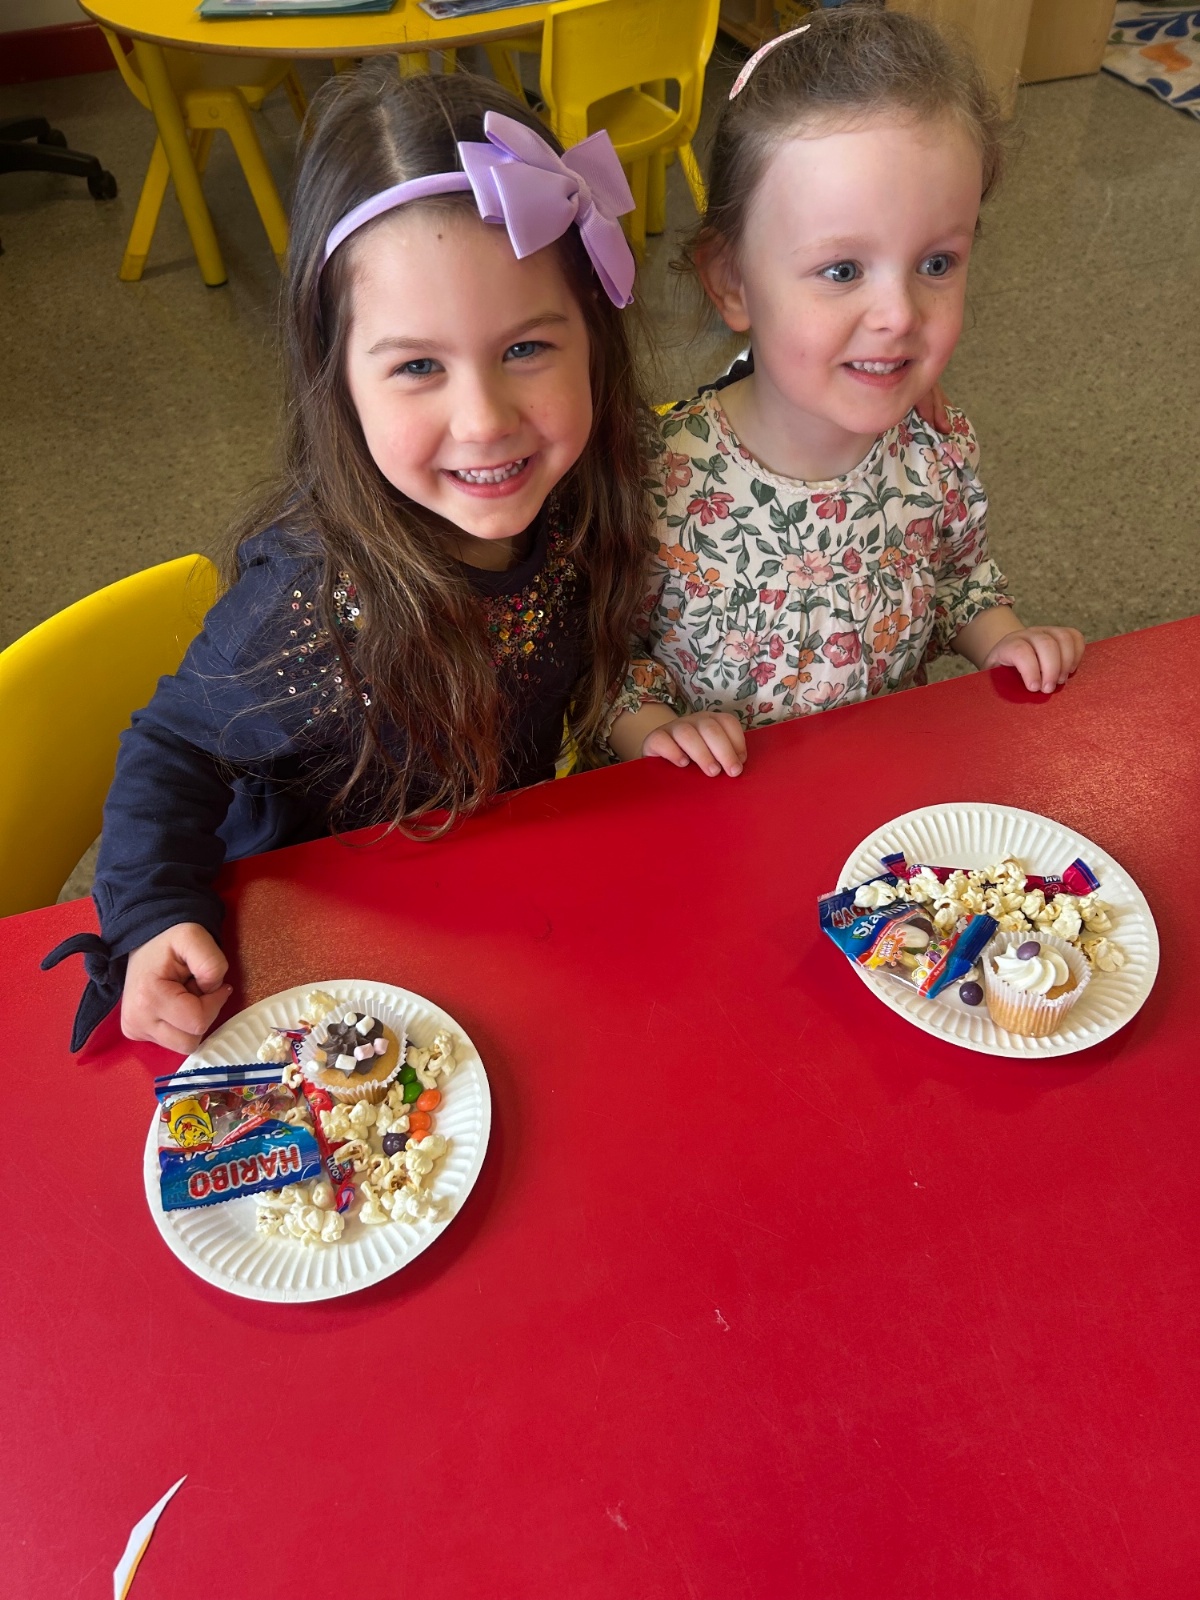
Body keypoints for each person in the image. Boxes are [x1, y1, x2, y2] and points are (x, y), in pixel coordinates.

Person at [45, 68, 673, 1053]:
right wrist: (153, 915)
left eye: (526, 349)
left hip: (499, 915)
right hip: (318, 972)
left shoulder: (580, 499)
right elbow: (173, 748)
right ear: (336, 380)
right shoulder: (306, 601)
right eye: (418, 366)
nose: (484, 421)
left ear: (593, 337)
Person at [605, 7, 1085, 779]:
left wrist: (1007, 642)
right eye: (842, 270)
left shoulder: (935, 449)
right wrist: (658, 733)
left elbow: (961, 582)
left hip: (886, 808)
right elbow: (606, 659)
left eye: (936, 263)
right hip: (717, 819)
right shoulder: (658, 477)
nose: (899, 315)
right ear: (732, 281)